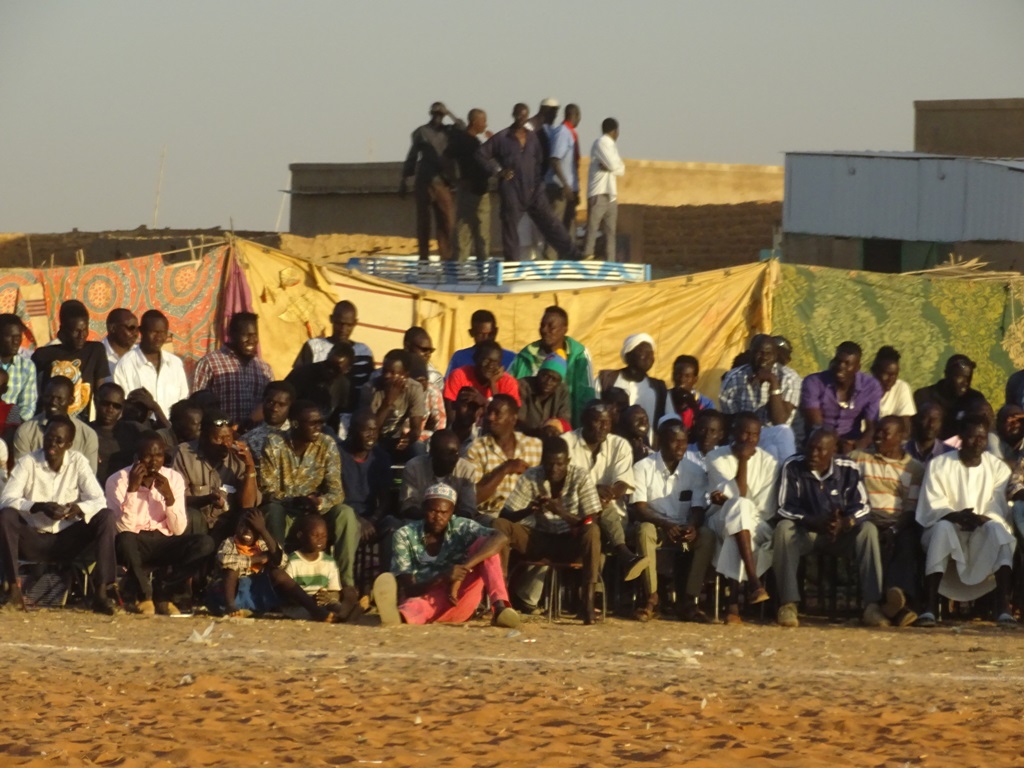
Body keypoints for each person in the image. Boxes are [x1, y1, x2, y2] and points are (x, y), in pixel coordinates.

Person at [0, 415, 117, 613]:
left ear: (69, 444)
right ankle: (13, 590)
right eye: (48, 437)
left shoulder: (78, 461)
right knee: (7, 515)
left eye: (59, 440)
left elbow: (99, 500)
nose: (52, 444)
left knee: (106, 516)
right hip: (33, 538)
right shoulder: (28, 462)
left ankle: (101, 593)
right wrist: (37, 506)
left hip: (67, 540)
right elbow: (6, 499)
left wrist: (78, 509)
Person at [772, 427, 886, 628]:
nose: (813, 454)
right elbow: (784, 508)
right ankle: (788, 604)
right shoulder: (793, 466)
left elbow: (863, 506)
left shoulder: (848, 468)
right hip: (806, 533)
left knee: (868, 530)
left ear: (833, 451)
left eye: (820, 450)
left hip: (840, 535)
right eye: (810, 448)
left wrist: (845, 522)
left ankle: (872, 605)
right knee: (783, 529)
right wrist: (812, 520)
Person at [915, 415, 1017, 627]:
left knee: (1000, 532)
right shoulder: (939, 465)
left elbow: (997, 505)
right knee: (943, 528)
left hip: (982, 529)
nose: (978, 442)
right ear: (961, 438)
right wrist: (956, 516)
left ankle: (1003, 609)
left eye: (982, 437)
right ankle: (930, 608)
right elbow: (933, 504)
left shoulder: (997, 468)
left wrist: (983, 518)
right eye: (972, 437)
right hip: (948, 526)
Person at [374, 483, 519, 627]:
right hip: (426, 598)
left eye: (444, 513)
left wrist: (463, 569)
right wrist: (443, 577)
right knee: (415, 604)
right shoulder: (405, 535)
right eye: (433, 511)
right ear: (423, 509)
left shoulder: (462, 526)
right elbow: (410, 589)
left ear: (452, 512)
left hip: (458, 598)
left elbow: (501, 537)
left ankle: (500, 608)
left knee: (486, 545)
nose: (438, 517)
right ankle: (397, 616)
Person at [494, 436, 604, 624]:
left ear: (568, 462)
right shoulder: (531, 475)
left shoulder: (580, 476)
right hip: (540, 539)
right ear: (542, 461)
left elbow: (591, 519)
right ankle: (501, 601)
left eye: (559, 464)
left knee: (592, 531)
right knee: (499, 526)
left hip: (571, 540)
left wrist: (560, 511)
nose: (554, 469)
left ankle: (588, 601)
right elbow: (506, 515)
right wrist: (529, 509)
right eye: (549, 464)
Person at [107, 433, 214, 615]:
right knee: (125, 539)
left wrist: (169, 498)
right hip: (134, 542)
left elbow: (179, 530)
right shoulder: (117, 480)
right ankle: (145, 596)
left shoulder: (173, 478)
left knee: (205, 544)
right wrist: (132, 490)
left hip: (164, 540)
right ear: (137, 457)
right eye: (147, 456)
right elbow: (123, 529)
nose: (153, 462)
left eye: (159, 456)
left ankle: (164, 592)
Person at [259, 400, 359, 588]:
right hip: (286, 511)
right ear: (296, 423)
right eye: (313, 423)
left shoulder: (326, 444)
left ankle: (345, 584)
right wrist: (294, 500)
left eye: (320, 422)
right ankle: (276, 579)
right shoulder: (274, 442)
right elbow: (267, 488)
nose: (319, 427)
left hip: (316, 513)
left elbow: (336, 491)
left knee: (345, 513)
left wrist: (320, 502)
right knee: (272, 509)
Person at [631, 418, 717, 623]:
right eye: (674, 441)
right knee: (644, 531)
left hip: (682, 537)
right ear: (661, 442)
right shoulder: (643, 467)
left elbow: (697, 507)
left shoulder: (694, 471)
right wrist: (666, 524)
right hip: (658, 528)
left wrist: (692, 526)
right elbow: (639, 508)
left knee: (706, 535)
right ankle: (652, 598)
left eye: (684, 441)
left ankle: (689, 600)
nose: (681, 446)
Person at [477, 103, 579, 261]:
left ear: (527, 116)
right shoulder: (502, 137)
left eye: (524, 115)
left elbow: (541, 160)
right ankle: (512, 265)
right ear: (513, 115)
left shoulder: (533, 138)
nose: (521, 118)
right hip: (512, 189)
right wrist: (498, 172)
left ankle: (573, 254)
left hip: (534, 189)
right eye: (518, 115)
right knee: (510, 227)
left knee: (551, 222)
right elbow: (480, 154)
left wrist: (540, 181)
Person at [848, 415, 924, 626]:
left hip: (898, 522)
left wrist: (894, 530)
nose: (879, 437)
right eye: (878, 431)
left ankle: (895, 598)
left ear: (901, 437)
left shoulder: (914, 469)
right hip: (867, 519)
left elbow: (910, 508)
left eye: (885, 433)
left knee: (908, 540)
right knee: (869, 532)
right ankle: (879, 605)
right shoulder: (858, 458)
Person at [704, 413, 778, 623]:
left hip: (757, 523)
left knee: (739, 519)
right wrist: (743, 460)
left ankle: (733, 605)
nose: (749, 439)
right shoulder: (716, 457)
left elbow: (763, 508)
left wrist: (732, 500)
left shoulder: (770, 463)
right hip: (718, 520)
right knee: (739, 509)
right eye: (745, 432)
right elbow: (740, 495)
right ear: (734, 432)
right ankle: (753, 584)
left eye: (755, 434)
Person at [563, 401, 647, 577]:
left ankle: (593, 595)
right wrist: (592, 491)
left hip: (611, 520)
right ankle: (624, 553)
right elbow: (561, 484)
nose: (602, 427)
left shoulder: (619, 445)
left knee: (599, 522)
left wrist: (607, 494)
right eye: (597, 421)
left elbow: (623, 484)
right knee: (597, 510)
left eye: (606, 422)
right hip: (572, 516)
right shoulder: (566, 442)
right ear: (584, 421)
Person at [214, 508, 336, 621]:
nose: (247, 531)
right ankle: (230, 607)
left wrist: (263, 531)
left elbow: (282, 562)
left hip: (257, 592)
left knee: (278, 573)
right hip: (233, 592)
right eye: (243, 526)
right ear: (236, 527)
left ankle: (314, 610)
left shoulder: (261, 544)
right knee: (231, 570)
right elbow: (224, 561)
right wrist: (257, 559)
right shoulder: (230, 542)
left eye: (253, 528)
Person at [173, 409, 258, 542]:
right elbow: (176, 500)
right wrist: (206, 499)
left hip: (228, 523)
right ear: (203, 437)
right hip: (198, 524)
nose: (225, 444)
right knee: (192, 515)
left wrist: (250, 466)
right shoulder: (184, 453)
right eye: (218, 439)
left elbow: (248, 504)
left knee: (249, 515)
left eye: (228, 438)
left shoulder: (240, 455)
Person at [718, 334, 802, 463]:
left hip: (772, 437)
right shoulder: (733, 378)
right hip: (742, 436)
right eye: (759, 353)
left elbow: (780, 421)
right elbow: (729, 421)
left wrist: (773, 383)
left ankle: (788, 477)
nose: (764, 358)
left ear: (775, 356)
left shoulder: (789, 378)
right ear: (751, 353)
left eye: (769, 354)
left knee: (783, 433)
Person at [400, 102, 466, 261]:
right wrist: (405, 178)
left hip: (444, 183)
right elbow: (412, 156)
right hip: (425, 182)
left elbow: (463, 128)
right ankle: (424, 259)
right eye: (436, 114)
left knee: (447, 223)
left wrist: (449, 112)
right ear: (431, 114)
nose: (438, 117)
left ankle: (446, 259)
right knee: (424, 222)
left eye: (440, 115)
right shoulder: (421, 132)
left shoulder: (449, 131)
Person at [508, 306, 595, 425]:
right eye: (542, 325)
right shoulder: (525, 356)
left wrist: (577, 433)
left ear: (564, 329)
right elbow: (507, 389)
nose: (544, 330)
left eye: (551, 327)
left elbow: (586, 395)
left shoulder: (579, 355)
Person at [463, 395, 542, 520]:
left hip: (527, 515)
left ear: (513, 419)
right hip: (490, 515)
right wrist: (504, 469)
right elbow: (473, 498)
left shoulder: (534, 446)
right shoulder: (476, 448)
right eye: (489, 412)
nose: (490, 417)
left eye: (497, 414)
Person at [32, 299, 111, 419]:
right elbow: (34, 394)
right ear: (63, 329)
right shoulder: (43, 354)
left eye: (85, 330)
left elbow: (99, 393)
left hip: (80, 422)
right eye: (76, 331)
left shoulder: (95, 351)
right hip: (48, 420)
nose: (82, 336)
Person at [800, 341, 882, 454]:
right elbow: (816, 424)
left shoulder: (871, 386)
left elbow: (871, 427)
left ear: (857, 367)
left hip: (853, 444)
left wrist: (857, 448)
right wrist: (838, 444)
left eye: (847, 363)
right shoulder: (813, 382)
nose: (840, 367)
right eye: (838, 361)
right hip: (818, 444)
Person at [192, 312, 273, 426]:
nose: (251, 340)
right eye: (245, 335)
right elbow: (196, 404)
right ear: (231, 334)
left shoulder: (264, 369)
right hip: (221, 436)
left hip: (256, 438)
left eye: (254, 335)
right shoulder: (209, 363)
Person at [283, 514, 363, 622]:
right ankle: (341, 616)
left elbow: (335, 590)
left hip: (325, 602)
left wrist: (328, 596)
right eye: (315, 535)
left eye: (324, 536)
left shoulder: (329, 562)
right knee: (306, 612)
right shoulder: (293, 562)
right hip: (301, 605)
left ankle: (344, 613)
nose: (320, 539)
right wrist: (311, 600)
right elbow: (287, 595)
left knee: (346, 593)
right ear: (301, 536)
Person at [113, 309, 189, 420]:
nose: (159, 337)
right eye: (154, 332)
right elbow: (121, 406)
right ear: (141, 331)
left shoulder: (175, 364)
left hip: (172, 432)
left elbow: (183, 401)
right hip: (139, 433)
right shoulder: (125, 365)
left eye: (162, 332)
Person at [14, 376, 99, 473]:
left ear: (71, 400)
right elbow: (22, 474)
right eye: (48, 397)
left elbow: (88, 477)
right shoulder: (25, 431)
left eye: (59, 399)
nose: (53, 402)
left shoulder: (88, 435)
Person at [293, 300, 375, 390]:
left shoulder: (364, 351)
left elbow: (369, 383)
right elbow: (298, 377)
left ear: (355, 323)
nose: (343, 329)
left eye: (349, 325)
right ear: (331, 319)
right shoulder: (313, 346)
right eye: (339, 324)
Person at [339, 410, 393, 540]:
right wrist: (358, 520)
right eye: (366, 430)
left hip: (371, 517)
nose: (372, 435)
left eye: (375, 430)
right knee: (346, 523)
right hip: (343, 513)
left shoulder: (381, 457)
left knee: (393, 525)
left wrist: (371, 520)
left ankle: (388, 561)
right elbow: (335, 497)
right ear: (352, 431)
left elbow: (385, 499)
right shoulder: (336, 454)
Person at [362, 349, 425, 459]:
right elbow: (370, 429)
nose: (386, 376)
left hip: (397, 438)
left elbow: (416, 429)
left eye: (392, 373)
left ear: (405, 375)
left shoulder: (414, 388)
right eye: (384, 371)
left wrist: (408, 439)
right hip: (375, 437)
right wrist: (388, 402)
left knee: (418, 447)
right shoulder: (370, 389)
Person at [401, 429, 477, 519]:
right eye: (448, 454)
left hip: (456, 525)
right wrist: (434, 520)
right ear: (433, 453)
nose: (454, 459)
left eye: (456, 453)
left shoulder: (466, 470)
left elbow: (468, 510)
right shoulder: (414, 467)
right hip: (419, 523)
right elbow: (408, 507)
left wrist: (445, 521)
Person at [596, 334, 667, 430]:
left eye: (651, 353)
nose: (649, 356)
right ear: (628, 355)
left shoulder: (658, 387)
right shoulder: (606, 379)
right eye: (642, 351)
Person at [449, 108, 492, 261]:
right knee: (463, 234)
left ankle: (482, 273)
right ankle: (459, 272)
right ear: (475, 122)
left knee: (482, 236)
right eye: (483, 121)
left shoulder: (477, 142)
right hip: (468, 192)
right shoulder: (463, 141)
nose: (485, 125)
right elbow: (447, 160)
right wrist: (456, 180)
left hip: (481, 191)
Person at [582, 118, 626, 261]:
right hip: (598, 192)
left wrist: (612, 167)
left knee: (610, 231)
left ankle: (610, 262)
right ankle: (588, 256)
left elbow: (621, 169)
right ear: (615, 131)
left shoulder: (612, 146)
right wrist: (612, 167)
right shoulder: (601, 143)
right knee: (593, 228)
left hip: (611, 194)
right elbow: (615, 166)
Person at [913, 354, 984, 441]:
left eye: (968, 378)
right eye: (961, 377)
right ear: (947, 374)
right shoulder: (924, 395)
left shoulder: (974, 398)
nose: (966, 383)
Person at [91, 381, 150, 484]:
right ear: (96, 401)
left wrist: (156, 408)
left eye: (116, 406)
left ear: (122, 407)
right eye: (106, 403)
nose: (110, 409)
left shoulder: (133, 429)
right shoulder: (84, 431)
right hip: (92, 492)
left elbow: (163, 446)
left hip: (125, 491)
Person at [286, 342, 353, 433]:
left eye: (336, 369)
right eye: (328, 364)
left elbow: (336, 419)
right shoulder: (302, 373)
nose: (330, 370)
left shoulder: (344, 386)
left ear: (347, 369)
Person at [443, 340, 521, 413]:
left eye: (495, 362)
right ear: (476, 359)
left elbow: (507, 417)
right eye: (486, 360)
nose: (490, 366)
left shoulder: (508, 382)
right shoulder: (459, 375)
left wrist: (492, 385)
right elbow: (451, 416)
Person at [545, 103, 582, 249]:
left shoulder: (570, 134)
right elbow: (554, 159)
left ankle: (567, 262)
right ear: (575, 115)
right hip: (559, 187)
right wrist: (565, 185)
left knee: (569, 227)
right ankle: (550, 261)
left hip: (569, 188)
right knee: (556, 226)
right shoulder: (562, 133)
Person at [241, 381, 295, 469]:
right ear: (263, 402)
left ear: (290, 406)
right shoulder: (248, 440)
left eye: (281, 405)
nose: (275, 408)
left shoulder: (300, 436)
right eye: (270, 402)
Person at [445, 310, 517, 375]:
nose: (486, 338)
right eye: (480, 334)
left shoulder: (511, 358)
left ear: (496, 331)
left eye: (490, 334)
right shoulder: (460, 357)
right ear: (471, 333)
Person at [517, 353, 571, 437]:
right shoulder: (523, 385)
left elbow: (563, 422)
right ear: (538, 374)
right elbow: (519, 421)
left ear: (559, 383)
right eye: (545, 376)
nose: (548, 382)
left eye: (554, 379)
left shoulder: (562, 391)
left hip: (551, 438)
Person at [0, 313, 36, 428]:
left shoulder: (26, 366)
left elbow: (28, 406)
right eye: (10, 336)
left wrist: (13, 425)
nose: (16, 341)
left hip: (13, 425)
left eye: (18, 336)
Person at [870, 345, 915, 430]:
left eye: (894, 375)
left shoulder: (901, 388)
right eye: (887, 374)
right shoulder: (862, 389)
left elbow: (905, 428)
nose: (891, 380)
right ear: (874, 371)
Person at [666, 355, 714, 431]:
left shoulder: (705, 404)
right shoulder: (663, 397)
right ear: (672, 376)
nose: (682, 380)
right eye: (678, 375)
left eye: (687, 376)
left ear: (695, 379)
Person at [402, 327, 444, 393]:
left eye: (431, 351)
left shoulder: (434, 377)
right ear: (407, 347)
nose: (428, 354)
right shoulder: (389, 373)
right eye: (424, 350)